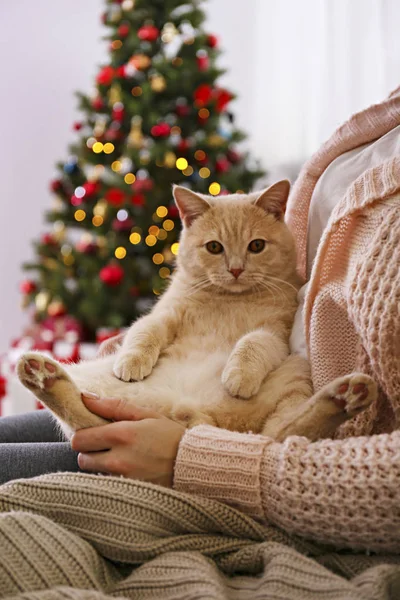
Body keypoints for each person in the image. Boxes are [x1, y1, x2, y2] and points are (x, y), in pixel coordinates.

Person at [1, 87, 399, 553]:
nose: (235, 268)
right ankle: (75, 399)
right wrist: (140, 352)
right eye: (215, 250)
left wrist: (206, 460)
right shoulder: (377, 129)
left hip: (271, 446)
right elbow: (168, 319)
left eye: (251, 249)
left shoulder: (276, 291)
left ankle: (81, 405)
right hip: (188, 384)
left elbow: (272, 335)